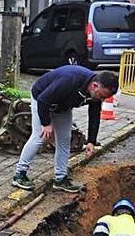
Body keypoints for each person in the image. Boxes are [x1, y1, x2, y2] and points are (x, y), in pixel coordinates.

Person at [11, 65, 118, 193]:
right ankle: (19, 174)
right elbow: (43, 100)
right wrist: (46, 124)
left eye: (104, 98)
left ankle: (60, 178)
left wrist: (91, 141)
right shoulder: (69, 80)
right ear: (94, 86)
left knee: (64, 139)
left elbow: (94, 115)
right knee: (40, 137)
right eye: (101, 96)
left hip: (62, 106)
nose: (101, 100)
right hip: (42, 99)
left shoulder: (95, 93)